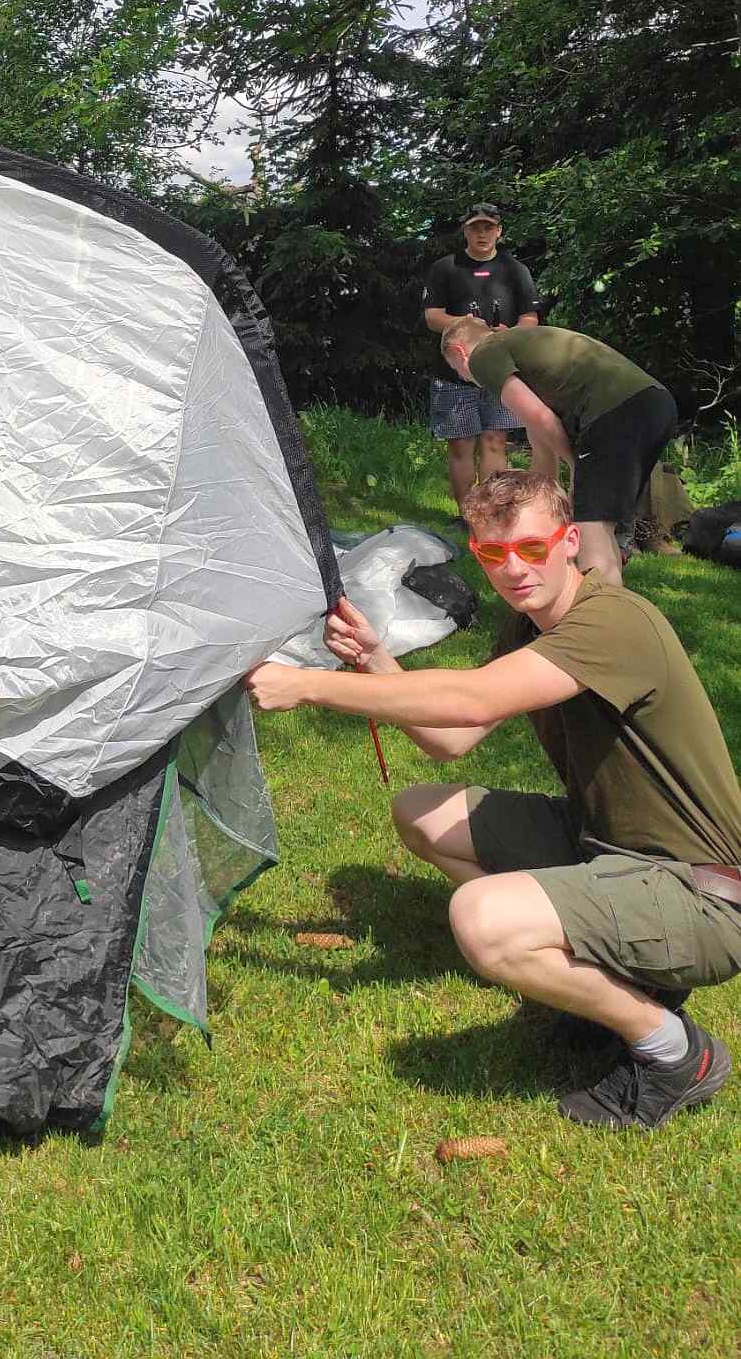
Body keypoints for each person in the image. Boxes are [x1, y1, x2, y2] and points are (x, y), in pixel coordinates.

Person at [245, 470, 741, 1131]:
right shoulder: (530, 624)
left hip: (702, 895)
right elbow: (451, 738)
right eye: (493, 553)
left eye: (533, 548)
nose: (514, 568)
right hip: (603, 845)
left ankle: (675, 1053)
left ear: (570, 543)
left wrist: (308, 685)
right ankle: (598, 975)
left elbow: (473, 700)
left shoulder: (612, 621)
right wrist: (374, 659)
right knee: (423, 813)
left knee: (483, 920)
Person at [438, 315, 678, 584]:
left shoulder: (482, 355)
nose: (464, 377)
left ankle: (596, 609)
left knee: (590, 530)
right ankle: (612, 600)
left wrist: (576, 465)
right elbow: (542, 445)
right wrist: (541, 513)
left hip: (618, 412)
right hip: (656, 404)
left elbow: (541, 417)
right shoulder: (525, 353)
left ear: (459, 351)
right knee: (601, 527)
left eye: (456, 369)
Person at [421, 203, 539, 517]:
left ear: (499, 231)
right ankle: (466, 516)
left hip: (500, 369)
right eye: (475, 227)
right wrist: (470, 326)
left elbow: (530, 319)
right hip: (454, 370)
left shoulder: (516, 270)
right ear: (466, 231)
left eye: (488, 227)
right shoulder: (445, 268)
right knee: (461, 443)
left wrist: (509, 334)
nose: (482, 234)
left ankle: (491, 514)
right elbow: (432, 317)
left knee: (496, 439)